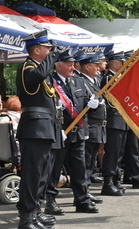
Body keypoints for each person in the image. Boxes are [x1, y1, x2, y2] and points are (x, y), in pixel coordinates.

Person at [15, 30, 66, 229]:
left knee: (43, 175)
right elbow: (36, 77)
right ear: (36, 50)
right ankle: (26, 219)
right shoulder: (27, 67)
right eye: (48, 48)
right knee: (32, 175)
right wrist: (54, 57)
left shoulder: (41, 70)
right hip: (34, 128)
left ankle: (35, 213)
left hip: (46, 127)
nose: (51, 51)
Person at [45, 52, 100, 216]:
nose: (72, 67)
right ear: (58, 65)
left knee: (79, 170)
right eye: (69, 64)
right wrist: (56, 128)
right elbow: (48, 109)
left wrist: (92, 105)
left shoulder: (79, 81)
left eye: (73, 64)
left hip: (77, 134)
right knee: (54, 171)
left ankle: (82, 201)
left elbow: (82, 106)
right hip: (60, 133)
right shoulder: (49, 82)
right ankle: (50, 202)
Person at [74, 52, 107, 202]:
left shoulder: (94, 82)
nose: (98, 68)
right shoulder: (82, 81)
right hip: (90, 125)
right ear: (87, 67)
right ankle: (83, 193)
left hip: (97, 127)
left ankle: (86, 191)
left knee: (92, 160)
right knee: (86, 161)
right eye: (95, 65)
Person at [99, 51, 129, 196]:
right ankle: (108, 182)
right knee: (112, 153)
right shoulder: (108, 79)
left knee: (119, 153)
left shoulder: (118, 78)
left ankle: (116, 179)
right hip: (113, 119)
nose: (125, 66)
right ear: (116, 64)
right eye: (123, 63)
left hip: (121, 120)